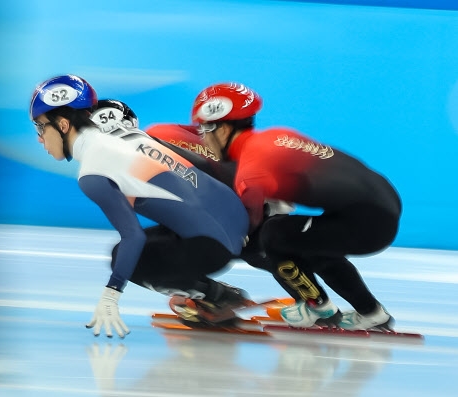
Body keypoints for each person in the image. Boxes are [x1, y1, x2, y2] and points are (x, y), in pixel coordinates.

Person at [29, 75, 250, 338]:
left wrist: (111, 295)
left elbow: (133, 236)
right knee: (151, 242)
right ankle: (210, 290)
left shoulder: (92, 172)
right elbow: (202, 166)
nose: (40, 138)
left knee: (124, 257)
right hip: (236, 220)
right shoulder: (129, 136)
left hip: (216, 246)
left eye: (41, 127)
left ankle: (216, 296)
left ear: (63, 124)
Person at [184, 82, 402, 331]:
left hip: (366, 219)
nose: (202, 138)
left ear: (221, 130)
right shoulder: (276, 135)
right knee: (312, 246)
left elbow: (246, 225)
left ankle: (316, 307)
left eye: (203, 130)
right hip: (382, 205)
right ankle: (370, 312)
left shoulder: (250, 167)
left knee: (273, 234)